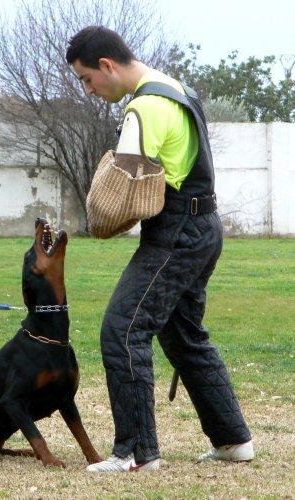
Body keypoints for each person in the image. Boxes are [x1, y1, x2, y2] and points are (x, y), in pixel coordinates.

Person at [66, 26, 254, 473]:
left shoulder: (143, 108)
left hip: (176, 234)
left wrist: (98, 222)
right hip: (206, 226)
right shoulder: (177, 89)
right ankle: (233, 440)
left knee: (123, 330)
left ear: (107, 65)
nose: (90, 90)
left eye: (88, 79)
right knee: (182, 334)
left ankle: (134, 452)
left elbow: (123, 190)